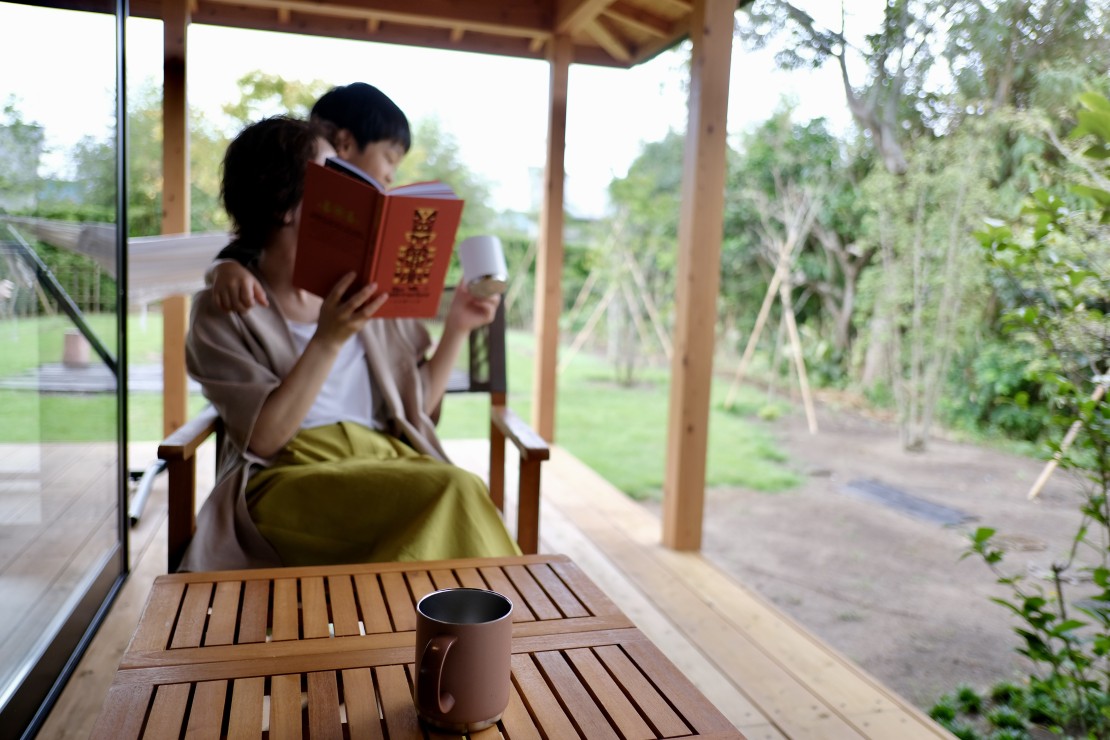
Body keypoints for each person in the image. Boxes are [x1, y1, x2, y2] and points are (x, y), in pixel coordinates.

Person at [179, 114, 519, 572]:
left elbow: (416, 407)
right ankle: (494, 633)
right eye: (330, 177)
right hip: (289, 480)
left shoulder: (359, 293)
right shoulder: (226, 309)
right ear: (285, 204)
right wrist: (329, 338)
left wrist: (457, 327)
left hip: (386, 462)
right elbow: (264, 440)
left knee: (457, 489)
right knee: (452, 490)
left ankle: (467, 635)